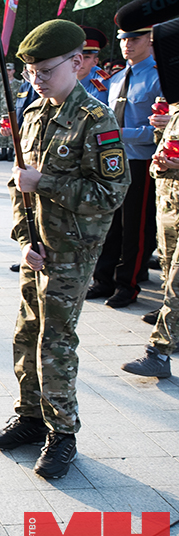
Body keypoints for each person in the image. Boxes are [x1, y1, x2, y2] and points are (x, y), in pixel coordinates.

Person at [0, 20, 130, 479]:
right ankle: (29, 417)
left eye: (45, 71)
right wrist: (24, 238)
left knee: (56, 342)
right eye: (29, 72)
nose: (36, 80)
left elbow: (112, 193)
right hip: (39, 248)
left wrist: (45, 182)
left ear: (76, 63)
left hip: (72, 250)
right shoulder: (33, 115)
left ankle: (62, 431)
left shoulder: (95, 119)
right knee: (27, 333)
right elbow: (18, 187)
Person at [88, 22, 161, 308]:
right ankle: (103, 279)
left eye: (134, 38)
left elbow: (160, 130)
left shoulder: (159, 77)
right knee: (110, 224)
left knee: (136, 227)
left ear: (150, 40)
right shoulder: (116, 79)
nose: (127, 44)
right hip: (112, 161)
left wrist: (120, 134)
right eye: (123, 39)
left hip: (141, 161)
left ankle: (128, 284)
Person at [121, 106, 179, 377]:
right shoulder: (175, 109)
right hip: (170, 207)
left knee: (176, 285)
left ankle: (159, 351)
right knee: (169, 278)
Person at [78, 26, 111, 103]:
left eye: (86, 57)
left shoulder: (99, 89)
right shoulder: (58, 84)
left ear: (95, 62)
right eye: (76, 56)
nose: (80, 61)